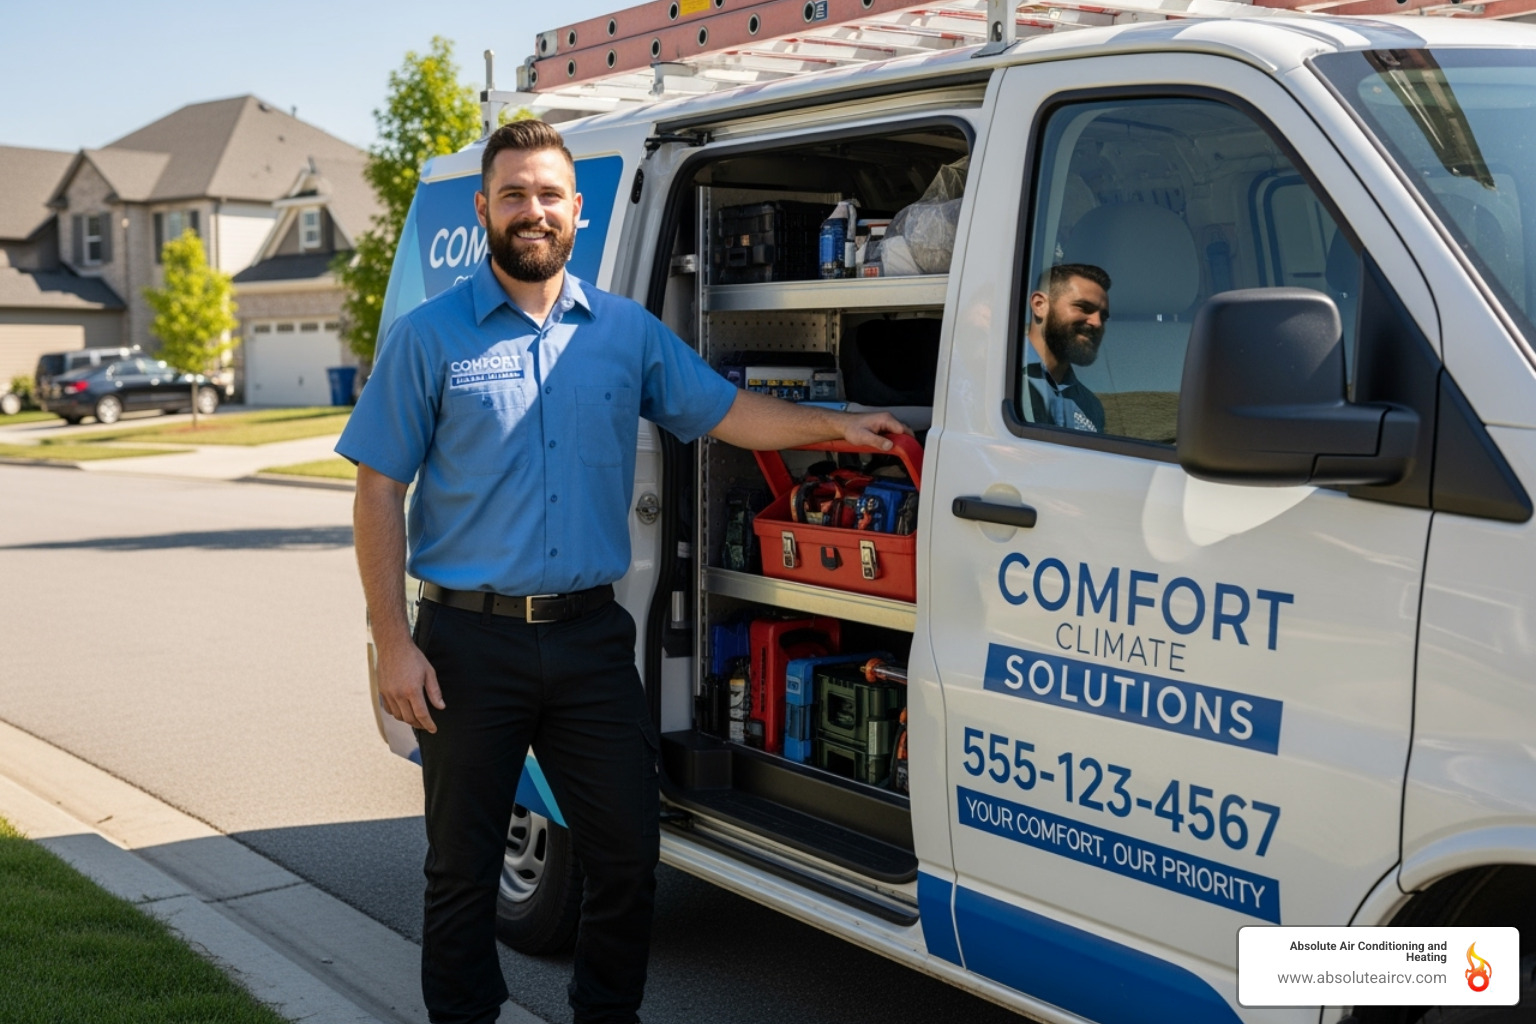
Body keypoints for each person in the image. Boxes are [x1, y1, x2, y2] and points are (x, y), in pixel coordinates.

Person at [337, 120, 907, 1024]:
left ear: (578, 210)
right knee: (460, 875)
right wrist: (394, 644)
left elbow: (727, 412)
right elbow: (377, 495)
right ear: (485, 208)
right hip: (465, 646)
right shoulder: (427, 337)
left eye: (549, 195)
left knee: (627, 860)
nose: (534, 210)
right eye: (515, 194)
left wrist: (839, 428)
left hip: (590, 642)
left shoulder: (623, 334)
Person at [1023, 263, 1111, 432]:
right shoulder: (998, 375)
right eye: (1084, 308)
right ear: (1040, 305)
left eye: (1104, 317)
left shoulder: (1090, 406)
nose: (1097, 323)